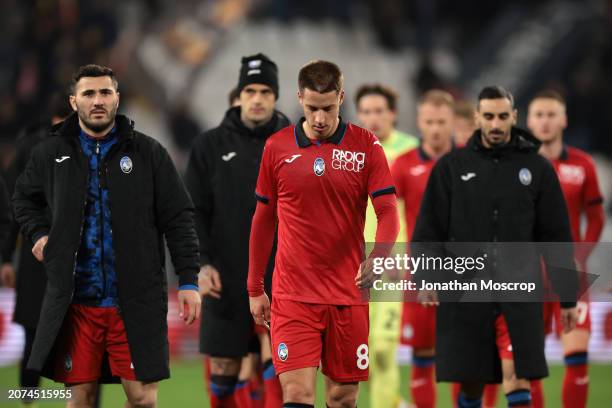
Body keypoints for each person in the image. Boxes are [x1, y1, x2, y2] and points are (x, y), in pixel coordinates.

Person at [12, 64, 201, 408]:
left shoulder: (149, 153)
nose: (97, 100)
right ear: (73, 102)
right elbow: (23, 199)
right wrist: (38, 234)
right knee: (81, 398)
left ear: (117, 98)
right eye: (88, 93)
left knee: (142, 397)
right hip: (75, 304)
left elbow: (179, 218)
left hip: (135, 301)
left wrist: (188, 280)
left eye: (105, 92)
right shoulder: (51, 153)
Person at [412, 86, 578, 408]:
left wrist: (568, 297)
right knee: (472, 384)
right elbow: (427, 232)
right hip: (465, 291)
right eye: (488, 116)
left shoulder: (538, 169)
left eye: (503, 116)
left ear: (514, 117)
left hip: (518, 291)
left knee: (516, 375)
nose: (496, 124)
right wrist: (427, 277)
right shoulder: (451, 167)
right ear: (477, 118)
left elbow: (556, 236)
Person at [248, 60, 400, 408]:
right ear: (300, 98)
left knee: (342, 397)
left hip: (347, 293)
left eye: (328, 109)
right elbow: (263, 219)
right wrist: (255, 287)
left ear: (341, 98)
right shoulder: (277, 147)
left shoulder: (366, 146)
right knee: (298, 394)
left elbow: (388, 211)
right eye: (312, 108)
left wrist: (378, 259)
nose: (319, 119)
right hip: (293, 295)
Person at [186, 53, 289, 408]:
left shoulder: (297, 144)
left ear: (276, 96)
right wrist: (201, 263)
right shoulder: (209, 146)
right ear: (240, 95)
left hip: (282, 277)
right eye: (250, 90)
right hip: (225, 277)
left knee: (282, 362)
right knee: (226, 367)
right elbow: (192, 212)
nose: (257, 98)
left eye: (265, 91)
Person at [528, 90, 605, 408]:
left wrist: (580, 257)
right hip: (527, 274)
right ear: (529, 121)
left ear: (564, 119)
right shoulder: (516, 166)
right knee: (528, 364)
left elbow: (597, 218)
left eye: (551, 115)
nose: (545, 122)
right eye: (539, 115)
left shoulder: (583, 164)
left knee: (577, 357)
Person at [0, 92, 74, 407]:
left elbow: (13, 207)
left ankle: (33, 397)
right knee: (61, 332)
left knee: (40, 331)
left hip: (46, 254)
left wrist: (6, 258)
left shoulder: (30, 146)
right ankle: (66, 396)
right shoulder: (63, 145)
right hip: (57, 253)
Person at [391, 89, 455, 408]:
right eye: (429, 121)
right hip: (421, 272)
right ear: (419, 121)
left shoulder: (469, 162)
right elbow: (383, 211)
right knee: (422, 353)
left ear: (452, 122)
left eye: (441, 122)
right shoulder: (404, 165)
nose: (435, 128)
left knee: (464, 354)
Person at [355, 83, 416, 408]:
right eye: (366, 111)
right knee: (358, 353)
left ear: (392, 113)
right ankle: (394, 402)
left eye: (379, 111)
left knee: (381, 348)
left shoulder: (411, 152)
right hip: (354, 261)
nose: (372, 118)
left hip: (393, 261)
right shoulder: (352, 152)